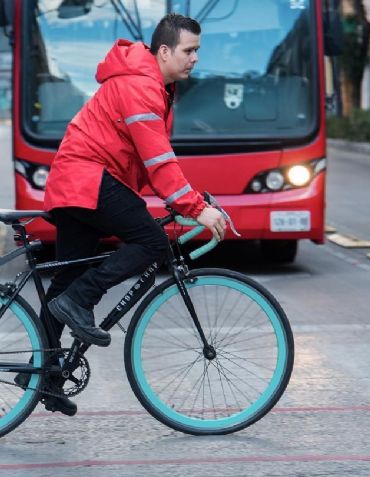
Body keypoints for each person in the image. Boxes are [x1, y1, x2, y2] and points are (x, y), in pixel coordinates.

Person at [35, 13, 227, 416]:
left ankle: (45, 376)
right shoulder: (142, 87)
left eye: (197, 51)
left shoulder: (150, 84)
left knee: (65, 281)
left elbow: (149, 163)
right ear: (163, 51)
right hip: (88, 178)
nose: (195, 58)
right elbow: (159, 162)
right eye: (189, 50)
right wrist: (196, 207)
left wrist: (187, 199)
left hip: (79, 181)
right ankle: (81, 302)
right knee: (153, 243)